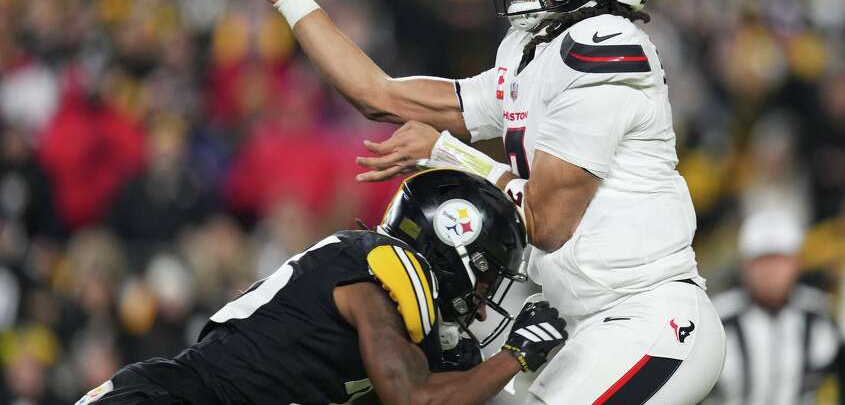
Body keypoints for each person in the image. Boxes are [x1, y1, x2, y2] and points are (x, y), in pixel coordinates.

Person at [231, 0, 724, 404]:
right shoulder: (535, 50)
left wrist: (443, 151)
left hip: (646, 317)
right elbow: (380, 96)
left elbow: (549, 221)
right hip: (569, 319)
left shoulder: (606, 46)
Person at [75, 169, 568, 405]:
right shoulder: (376, 273)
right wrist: (515, 356)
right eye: (484, 283)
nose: (481, 307)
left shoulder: (393, 312)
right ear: (455, 250)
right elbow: (411, 399)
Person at [708, 210, 845, 404]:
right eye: (761, 261)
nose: (770, 271)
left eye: (779, 260)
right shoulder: (716, 319)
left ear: (798, 263)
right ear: (744, 266)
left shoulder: (821, 315)